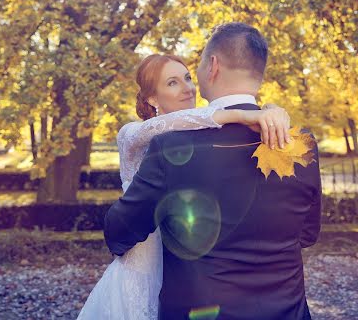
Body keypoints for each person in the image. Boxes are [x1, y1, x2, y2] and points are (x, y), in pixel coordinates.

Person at [103, 22, 321, 320]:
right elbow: (308, 234)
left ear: (213, 66)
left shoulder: (171, 149)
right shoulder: (300, 144)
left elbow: (119, 233)